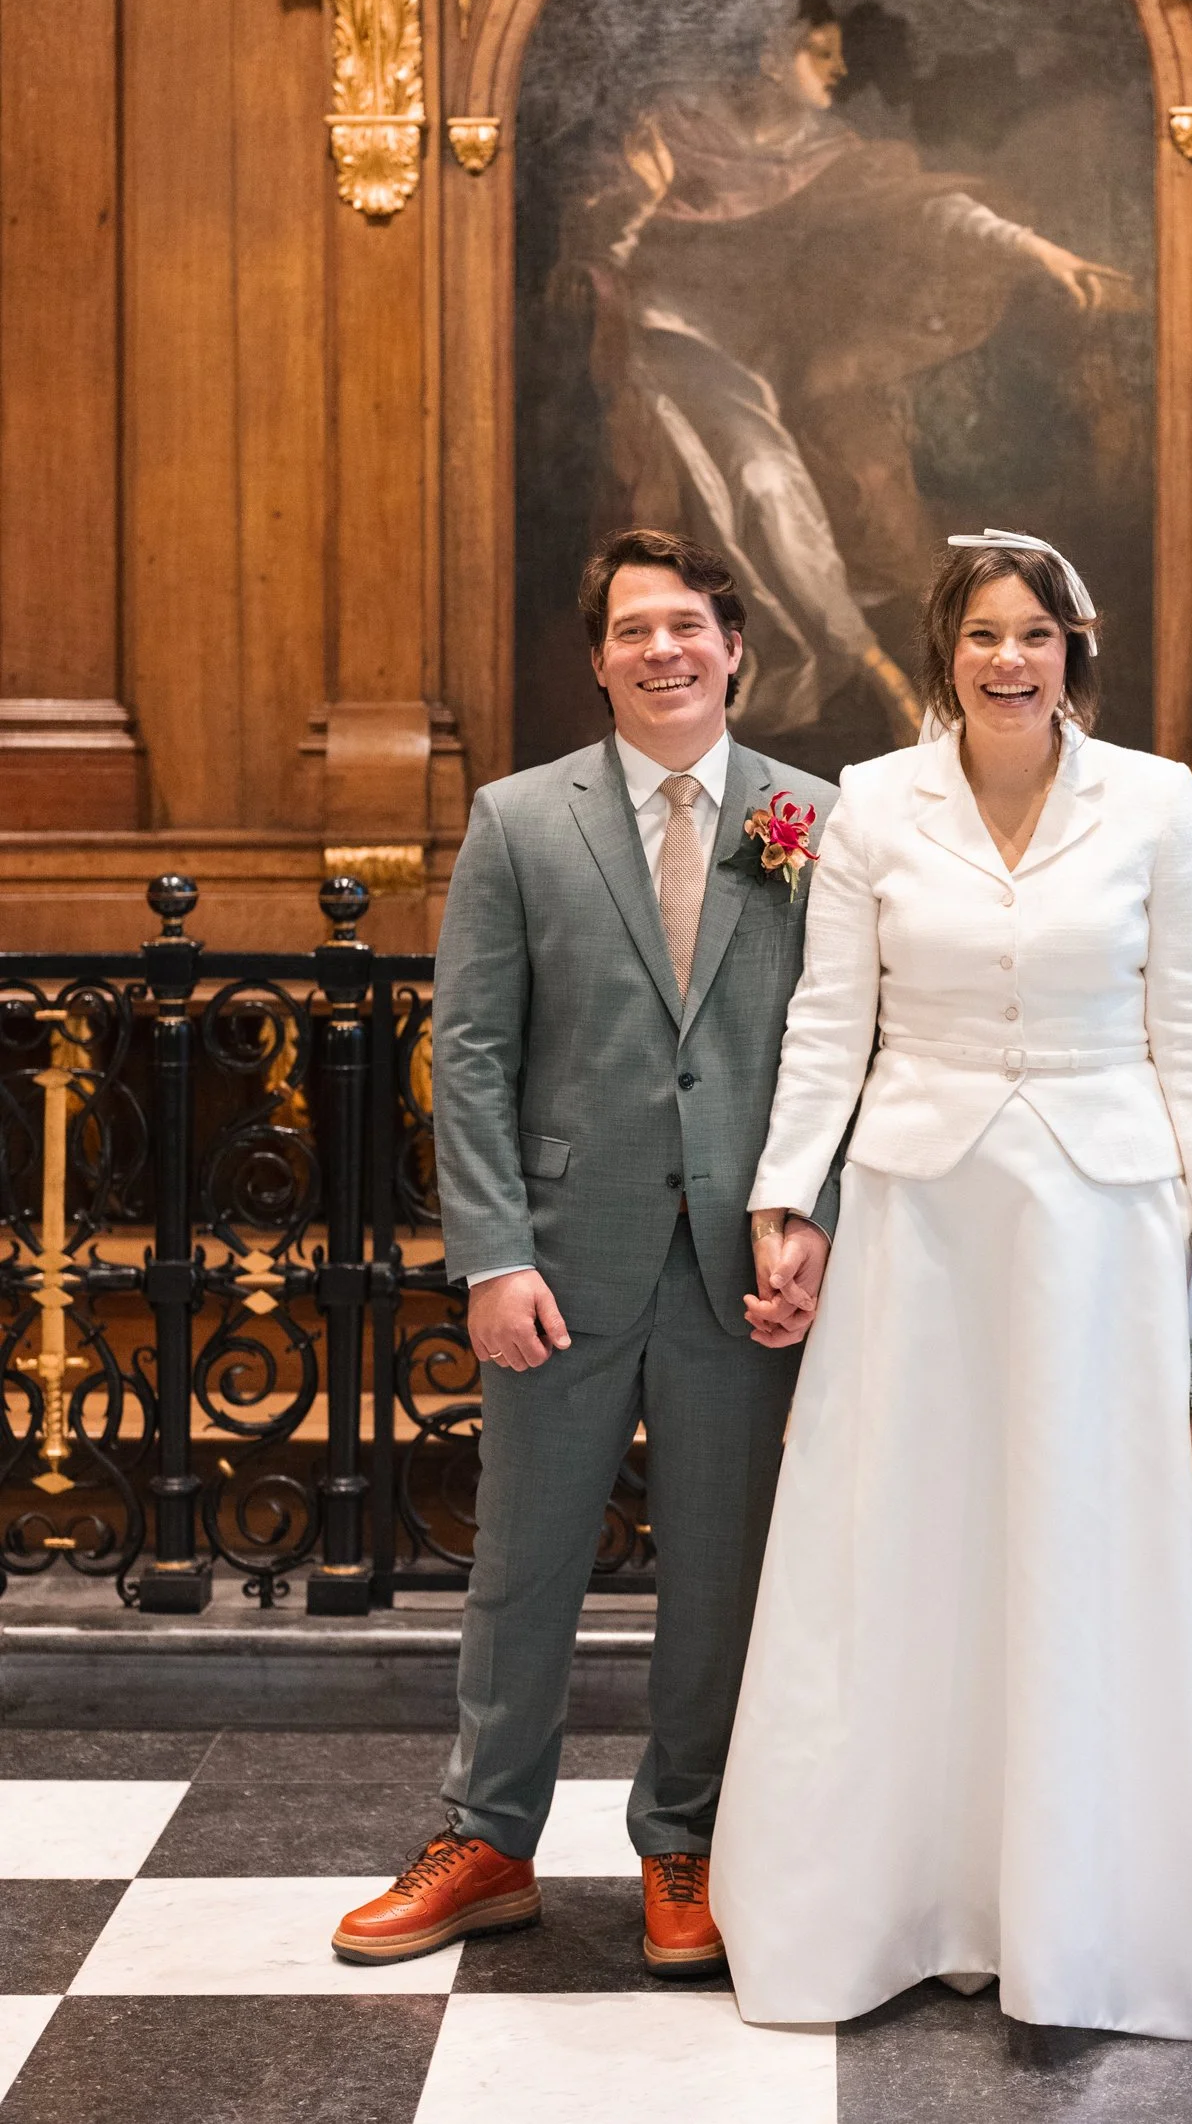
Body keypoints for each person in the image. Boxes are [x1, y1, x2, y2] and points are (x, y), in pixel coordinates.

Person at [708, 529, 1192, 2035]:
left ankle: (1105, 1893)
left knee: (1091, 1529)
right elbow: (827, 1022)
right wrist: (784, 1197)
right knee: (909, 1529)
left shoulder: (1154, 801)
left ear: (1075, 651)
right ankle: (906, 1893)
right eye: (983, 634)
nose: (1009, 659)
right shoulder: (870, 802)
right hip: (920, 1213)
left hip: (1104, 1218)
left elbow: (1189, 1021)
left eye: (1036, 634)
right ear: (945, 653)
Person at [332, 527, 840, 1975]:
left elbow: (845, 1050)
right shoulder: (517, 819)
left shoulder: (817, 820)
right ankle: (485, 1838)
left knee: (722, 1572)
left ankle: (686, 1840)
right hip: (557, 1258)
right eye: (630, 630)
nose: (659, 650)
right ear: (598, 657)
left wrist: (818, 1231)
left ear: (735, 644)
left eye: (684, 623)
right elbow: (472, 1054)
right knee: (522, 1565)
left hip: (741, 1273)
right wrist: (491, 1253)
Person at [577, 0, 1138, 747]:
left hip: (779, 358)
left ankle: (928, 665)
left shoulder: (827, 154)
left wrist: (1041, 254)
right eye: (822, 50)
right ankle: (870, 665)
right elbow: (601, 241)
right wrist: (633, 207)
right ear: (773, 56)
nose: (840, 69)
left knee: (872, 477)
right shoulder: (677, 135)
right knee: (765, 477)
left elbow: (925, 210)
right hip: (679, 342)